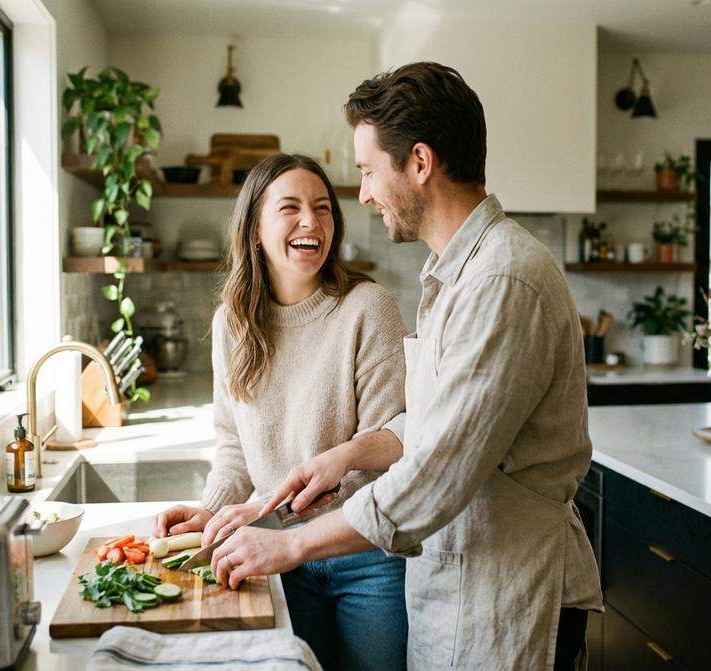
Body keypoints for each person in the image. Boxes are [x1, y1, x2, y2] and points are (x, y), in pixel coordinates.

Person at [206, 63, 603, 670]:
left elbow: (436, 476)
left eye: (367, 171)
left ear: (419, 163)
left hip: (508, 594)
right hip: (460, 583)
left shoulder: (502, 280)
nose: (362, 194)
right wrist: (346, 455)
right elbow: (434, 428)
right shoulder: (455, 277)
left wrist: (291, 545)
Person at [151, 153, 408, 671]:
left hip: (365, 558)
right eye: (289, 207)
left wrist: (272, 512)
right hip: (274, 556)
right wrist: (214, 512)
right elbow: (232, 445)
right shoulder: (233, 322)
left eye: (322, 208)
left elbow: (388, 452)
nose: (311, 221)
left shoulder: (368, 308)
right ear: (254, 230)